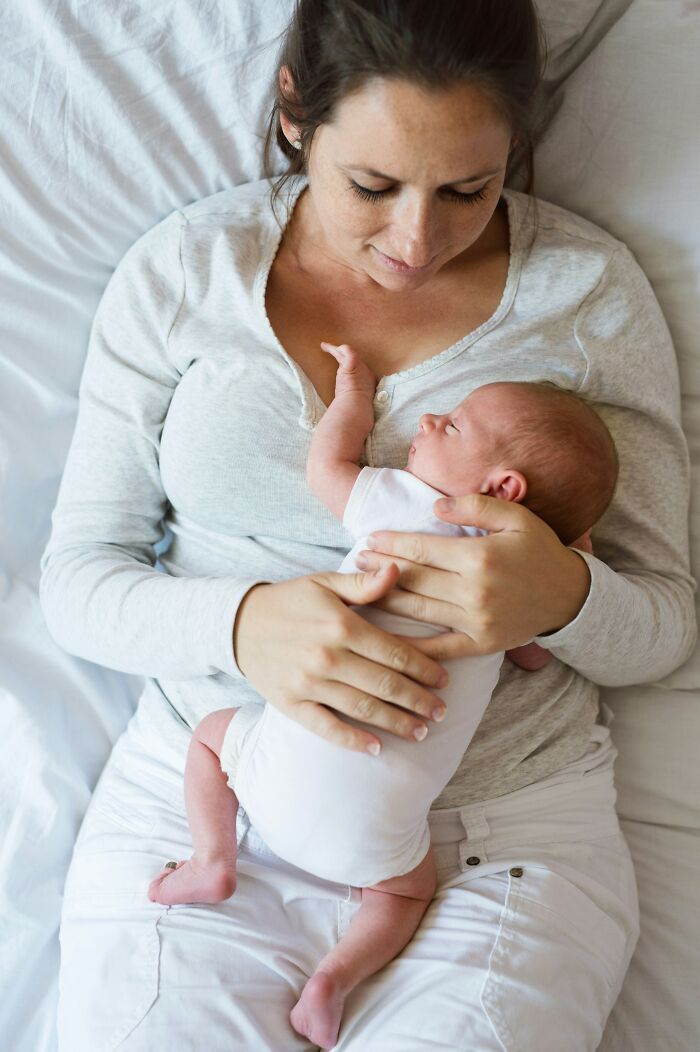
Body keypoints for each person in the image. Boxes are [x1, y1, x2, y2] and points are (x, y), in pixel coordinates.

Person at [40, 1, 695, 1049]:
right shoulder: (185, 273)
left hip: (496, 835)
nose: (415, 240)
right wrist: (247, 623)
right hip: (214, 803)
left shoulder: (585, 296)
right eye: (373, 186)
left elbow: (665, 625)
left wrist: (559, 596)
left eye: (468, 190)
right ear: (297, 113)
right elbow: (77, 577)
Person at [147, 348, 619, 1050]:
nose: (429, 418)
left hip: (278, 771)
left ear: (502, 486)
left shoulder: (404, 503)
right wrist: (572, 556)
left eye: (453, 427)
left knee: (213, 734)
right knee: (403, 892)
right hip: (376, 837)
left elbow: (326, 466)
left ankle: (212, 859)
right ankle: (332, 982)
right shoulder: (519, 588)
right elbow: (532, 654)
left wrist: (353, 394)